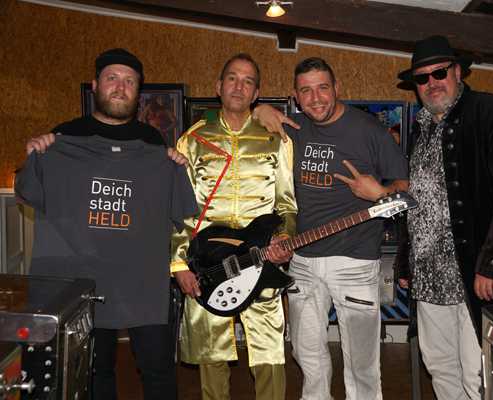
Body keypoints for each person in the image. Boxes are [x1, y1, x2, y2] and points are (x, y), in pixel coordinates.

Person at [340, 35, 493, 400]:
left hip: (473, 275)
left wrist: (491, 264)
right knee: (440, 364)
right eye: (422, 78)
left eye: (439, 73)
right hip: (429, 278)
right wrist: (406, 262)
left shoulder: (492, 113)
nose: (431, 83)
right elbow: (421, 200)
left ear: (458, 72)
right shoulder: (423, 127)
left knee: (480, 372)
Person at [18, 48, 197, 400]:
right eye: (113, 79)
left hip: (143, 281)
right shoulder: (63, 139)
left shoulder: (152, 144)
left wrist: (175, 165)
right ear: (96, 84)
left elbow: (178, 210)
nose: (120, 87)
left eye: (129, 81)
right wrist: (37, 154)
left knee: (158, 368)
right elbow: (29, 192)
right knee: (94, 370)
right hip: (82, 280)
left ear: (138, 91)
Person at [256, 57, 409, 400]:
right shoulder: (291, 128)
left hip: (354, 263)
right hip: (302, 263)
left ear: (338, 88)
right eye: (306, 91)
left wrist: (380, 192)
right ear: (296, 97)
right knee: (308, 357)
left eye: (323, 87)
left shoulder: (370, 130)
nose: (316, 98)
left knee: (363, 366)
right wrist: (260, 108)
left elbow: (404, 186)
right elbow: (247, 121)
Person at [170, 53, 296, 400]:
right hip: (207, 262)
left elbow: (286, 204)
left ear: (257, 93)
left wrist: (284, 236)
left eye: (248, 81)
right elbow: (180, 211)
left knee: (270, 357)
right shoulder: (193, 140)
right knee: (213, 356)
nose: (239, 86)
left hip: (262, 260)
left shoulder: (277, 139)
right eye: (232, 78)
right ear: (218, 87)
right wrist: (178, 263)